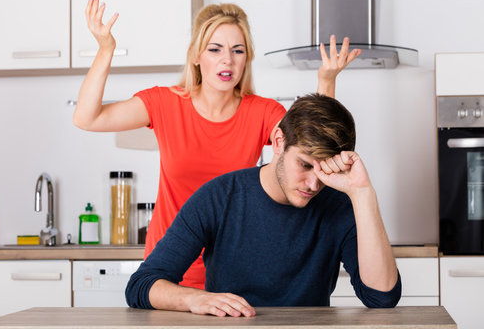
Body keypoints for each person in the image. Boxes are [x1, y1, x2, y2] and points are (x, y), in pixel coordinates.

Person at [73, 0, 362, 289]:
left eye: (238, 51)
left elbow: (313, 142)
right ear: (196, 55)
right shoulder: (163, 102)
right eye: (215, 49)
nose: (228, 60)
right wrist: (105, 49)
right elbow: (87, 118)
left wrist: (326, 80)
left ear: (246, 59)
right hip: (170, 270)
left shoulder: (261, 112)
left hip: (231, 270)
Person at [125, 94, 401, 316]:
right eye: (305, 165)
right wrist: (195, 299)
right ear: (279, 142)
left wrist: (363, 193)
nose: (313, 184)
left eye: (324, 172)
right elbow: (142, 285)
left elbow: (381, 297)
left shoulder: (339, 206)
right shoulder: (219, 196)